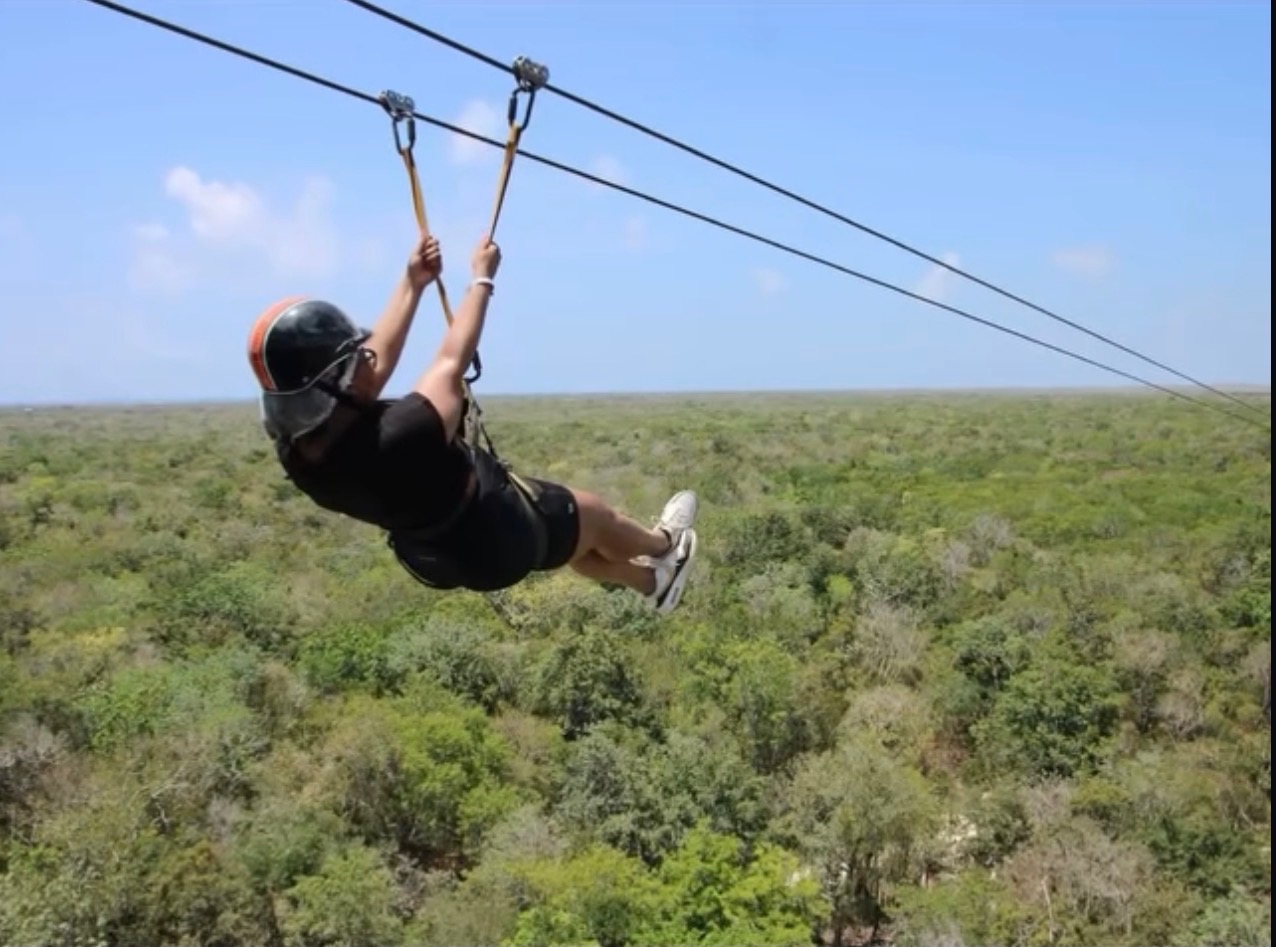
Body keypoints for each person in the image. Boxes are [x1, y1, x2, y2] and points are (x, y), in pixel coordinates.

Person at [245, 230, 698, 613]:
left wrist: (413, 283)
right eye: (355, 358)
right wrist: (481, 278)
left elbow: (367, 374)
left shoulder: (301, 453)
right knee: (594, 515)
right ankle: (666, 548)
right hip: (502, 527)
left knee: (572, 544)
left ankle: (650, 586)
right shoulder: (401, 436)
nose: (368, 358)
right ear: (334, 386)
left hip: (445, 557)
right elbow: (449, 362)